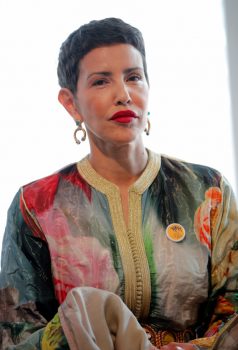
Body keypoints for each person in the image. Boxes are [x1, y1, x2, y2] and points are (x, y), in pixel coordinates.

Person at [0, 17, 238, 350]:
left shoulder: (207, 190)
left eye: (134, 77)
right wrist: (81, 325)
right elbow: (16, 335)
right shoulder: (36, 205)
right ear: (71, 103)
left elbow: (234, 307)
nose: (124, 94)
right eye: (101, 81)